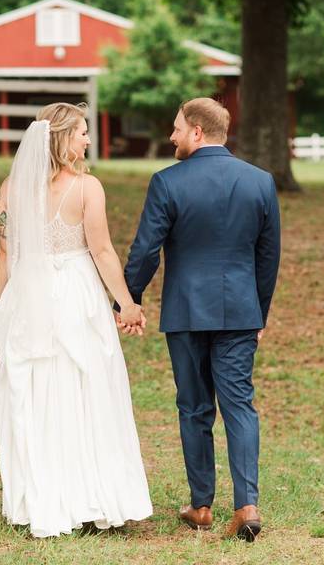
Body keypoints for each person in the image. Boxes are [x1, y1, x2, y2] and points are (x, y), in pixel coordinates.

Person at [119, 97, 281, 542]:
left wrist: (128, 299)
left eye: (176, 128)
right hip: (241, 313)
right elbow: (269, 258)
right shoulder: (261, 182)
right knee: (239, 406)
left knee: (194, 407)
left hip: (187, 312)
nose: (170, 136)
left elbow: (146, 251)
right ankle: (247, 504)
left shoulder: (167, 183)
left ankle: (202, 505)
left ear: (196, 131)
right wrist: (259, 311)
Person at [0, 102, 152, 538]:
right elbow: (101, 251)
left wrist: (1, 309)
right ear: (62, 139)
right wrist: (126, 304)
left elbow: (6, 253)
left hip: (27, 293)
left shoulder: (11, 188)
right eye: (81, 132)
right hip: (75, 295)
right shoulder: (87, 188)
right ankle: (89, 497)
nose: (87, 139)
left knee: (39, 392)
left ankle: (43, 496)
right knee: (85, 388)